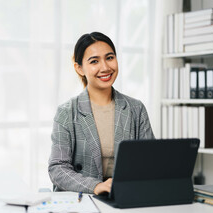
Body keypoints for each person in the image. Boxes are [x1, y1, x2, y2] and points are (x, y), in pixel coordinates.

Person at [48, 32, 154, 195]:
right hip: (82, 199)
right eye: (94, 61)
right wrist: (95, 186)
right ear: (79, 68)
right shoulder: (67, 112)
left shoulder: (136, 109)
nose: (105, 67)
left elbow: (150, 161)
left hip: (126, 197)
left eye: (110, 58)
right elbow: (58, 168)